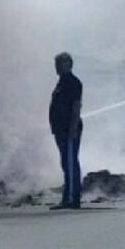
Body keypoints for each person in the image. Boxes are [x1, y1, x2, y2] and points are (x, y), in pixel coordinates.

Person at [48, 52, 83, 210]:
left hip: (68, 129)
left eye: (60, 64)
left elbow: (76, 106)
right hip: (60, 129)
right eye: (56, 64)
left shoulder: (73, 83)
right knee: (65, 163)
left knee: (70, 162)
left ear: (69, 64)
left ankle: (72, 198)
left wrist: (73, 128)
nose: (57, 67)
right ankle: (68, 196)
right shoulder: (61, 83)